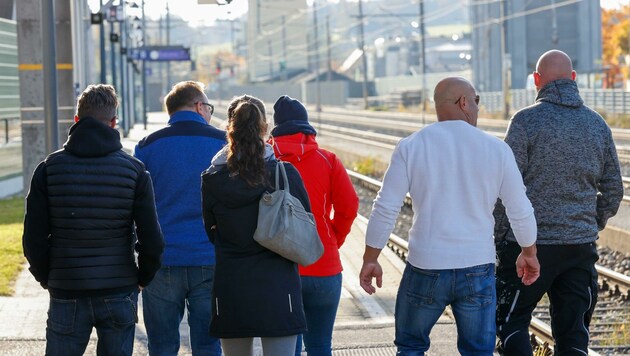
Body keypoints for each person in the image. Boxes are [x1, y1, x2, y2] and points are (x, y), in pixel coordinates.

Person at [359, 77, 541, 355]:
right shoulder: (496, 150)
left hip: (426, 265)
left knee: (410, 347)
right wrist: (529, 251)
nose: (478, 108)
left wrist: (371, 258)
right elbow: (519, 207)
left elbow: (386, 207)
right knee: (478, 351)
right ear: (464, 102)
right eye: (477, 101)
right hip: (476, 267)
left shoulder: (411, 146)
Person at [494, 50, 624, 355]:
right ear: (574, 79)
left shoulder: (525, 121)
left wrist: (499, 237)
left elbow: (505, 186)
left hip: (527, 248)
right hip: (578, 248)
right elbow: (614, 189)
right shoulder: (597, 125)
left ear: (537, 81)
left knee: (511, 323)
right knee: (574, 332)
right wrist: (590, 223)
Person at [22, 84, 164, 355]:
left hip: (67, 287)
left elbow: (33, 238)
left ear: (77, 120)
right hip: (119, 287)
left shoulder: (49, 169)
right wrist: (142, 278)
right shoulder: (134, 171)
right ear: (114, 122)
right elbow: (152, 239)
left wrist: (47, 277)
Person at [201, 95, 308, 356]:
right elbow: (304, 221)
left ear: (230, 129)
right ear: (265, 129)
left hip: (232, 286)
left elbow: (211, 232)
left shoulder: (213, 178)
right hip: (279, 288)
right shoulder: (284, 174)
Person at [133, 81, 225, 355]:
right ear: (199, 106)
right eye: (207, 107)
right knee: (208, 344)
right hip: (210, 259)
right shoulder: (222, 142)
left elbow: (137, 207)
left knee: (161, 346)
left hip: (161, 262)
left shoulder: (148, 146)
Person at [269, 95, 359, 356]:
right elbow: (349, 206)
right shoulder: (328, 160)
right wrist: (331, 239)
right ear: (306, 126)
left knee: (288, 349)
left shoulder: (265, 161)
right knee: (320, 346)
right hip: (324, 267)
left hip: (279, 270)